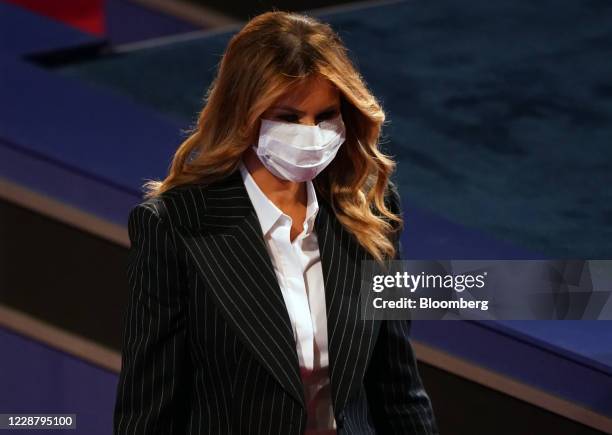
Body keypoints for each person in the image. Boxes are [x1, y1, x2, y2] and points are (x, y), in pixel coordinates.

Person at [113, 10, 438, 435]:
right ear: (243, 114)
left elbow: (398, 390)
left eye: (325, 116)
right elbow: (148, 411)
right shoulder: (175, 227)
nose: (311, 133)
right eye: (288, 117)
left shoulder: (371, 214)